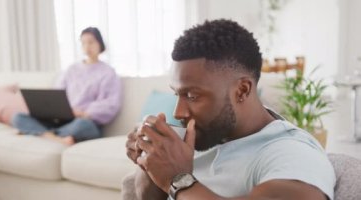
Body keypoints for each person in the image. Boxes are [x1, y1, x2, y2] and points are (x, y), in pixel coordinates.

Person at [125, 19, 335, 200]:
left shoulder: (290, 152)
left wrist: (179, 180)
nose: (178, 112)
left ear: (242, 90)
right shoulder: (202, 134)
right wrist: (150, 162)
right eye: (177, 94)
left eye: (192, 96)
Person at [12, 27, 122, 146]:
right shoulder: (71, 69)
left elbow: (110, 104)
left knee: (83, 126)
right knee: (18, 117)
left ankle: (38, 132)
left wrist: (83, 113)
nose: (87, 46)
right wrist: (56, 110)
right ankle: (54, 137)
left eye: (91, 42)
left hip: (84, 121)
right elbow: (56, 95)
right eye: (83, 42)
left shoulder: (108, 72)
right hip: (61, 120)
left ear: (100, 43)